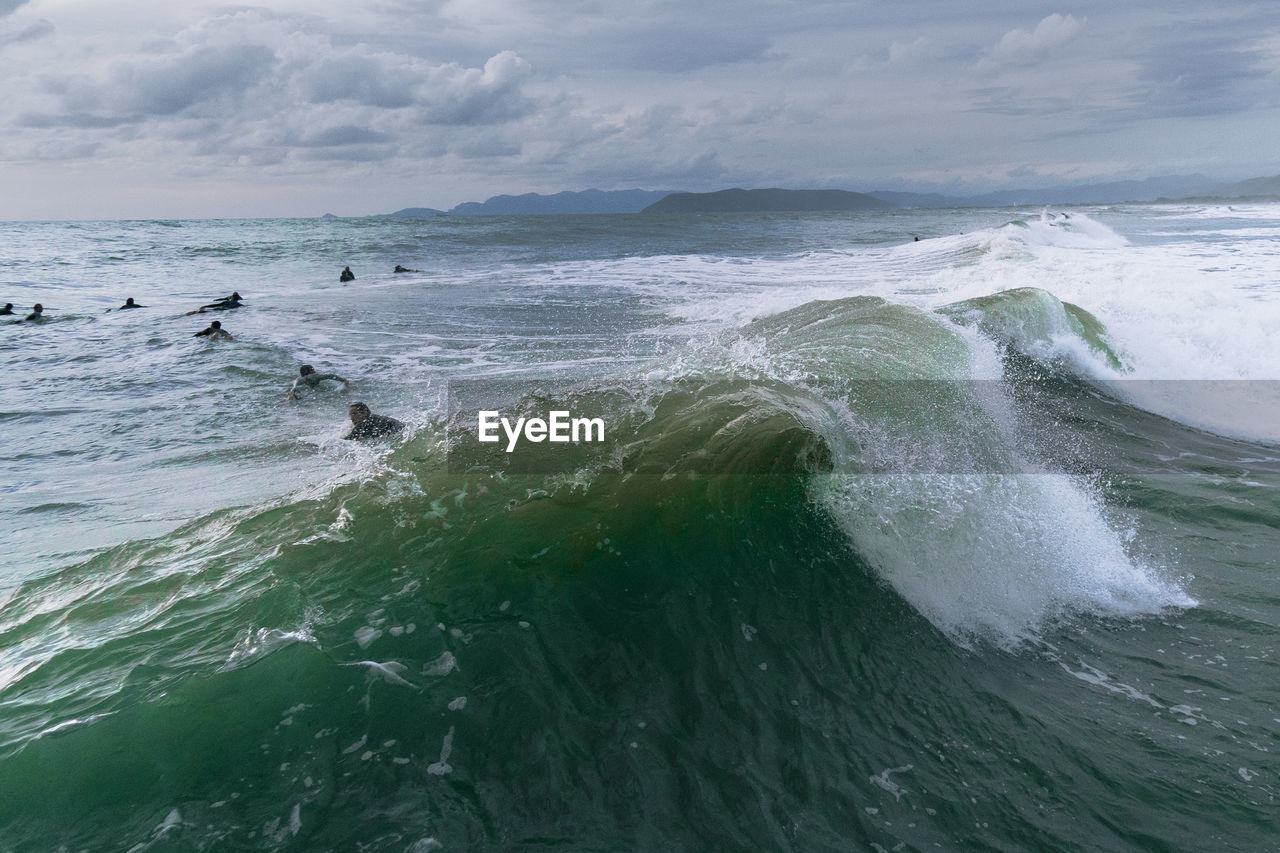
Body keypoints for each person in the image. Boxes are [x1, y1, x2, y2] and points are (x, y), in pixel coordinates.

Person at [286, 364, 351, 400]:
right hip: (309, 396)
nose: (315, 371)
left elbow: (294, 388)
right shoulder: (313, 376)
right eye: (313, 370)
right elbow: (331, 376)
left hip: (296, 393)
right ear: (311, 371)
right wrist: (344, 380)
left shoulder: (298, 379)